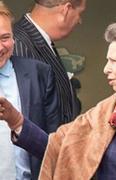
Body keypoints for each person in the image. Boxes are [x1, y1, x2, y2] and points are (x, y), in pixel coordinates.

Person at [1, 22, 116, 179]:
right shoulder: (101, 114)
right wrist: (16, 120)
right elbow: (57, 148)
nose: (105, 69)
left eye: (113, 61)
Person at [0, 2, 61, 180]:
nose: (0, 47)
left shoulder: (39, 73)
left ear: (13, 38)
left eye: (5, 38)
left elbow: (53, 143)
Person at [13, 0, 86, 122]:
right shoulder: (19, 45)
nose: (79, 20)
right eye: (80, 13)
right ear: (66, 9)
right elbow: (29, 119)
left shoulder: (39, 40)